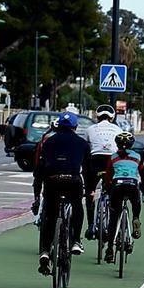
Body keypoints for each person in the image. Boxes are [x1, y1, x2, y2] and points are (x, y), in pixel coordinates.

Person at [33, 110, 91, 276]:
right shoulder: (82, 143)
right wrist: (91, 189)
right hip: (73, 180)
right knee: (77, 207)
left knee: (50, 215)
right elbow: (87, 170)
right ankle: (75, 241)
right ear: (75, 126)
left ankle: (45, 251)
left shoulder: (48, 142)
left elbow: (39, 169)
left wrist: (38, 193)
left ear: (58, 125)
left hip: (52, 180)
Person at [102, 131, 144, 264]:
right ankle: (136, 218)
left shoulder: (113, 157)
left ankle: (110, 249)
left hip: (117, 186)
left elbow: (108, 176)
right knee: (135, 202)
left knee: (113, 219)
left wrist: (107, 188)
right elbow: (142, 174)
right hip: (132, 185)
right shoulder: (137, 156)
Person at [83, 104, 122, 240]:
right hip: (111, 161)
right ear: (112, 117)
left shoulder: (90, 129)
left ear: (97, 117)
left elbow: (86, 148)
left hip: (96, 160)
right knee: (114, 193)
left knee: (90, 190)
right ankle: (112, 226)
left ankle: (91, 226)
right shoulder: (117, 129)